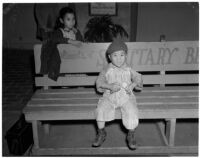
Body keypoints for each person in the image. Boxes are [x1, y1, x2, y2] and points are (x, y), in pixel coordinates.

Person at [92, 39, 143, 150]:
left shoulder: (128, 69)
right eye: (115, 55)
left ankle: (131, 133)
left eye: (122, 55)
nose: (119, 58)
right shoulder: (106, 70)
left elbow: (138, 77)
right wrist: (110, 86)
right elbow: (99, 82)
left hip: (126, 97)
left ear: (126, 56)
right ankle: (101, 132)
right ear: (109, 57)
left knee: (132, 111)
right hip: (110, 97)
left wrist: (133, 84)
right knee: (100, 110)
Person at [40, 7, 83, 81]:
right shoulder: (59, 32)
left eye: (73, 19)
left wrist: (77, 33)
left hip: (76, 63)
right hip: (64, 65)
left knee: (81, 76)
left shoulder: (76, 32)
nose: (72, 22)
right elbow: (54, 39)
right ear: (61, 20)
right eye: (68, 19)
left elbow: (81, 43)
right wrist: (70, 41)